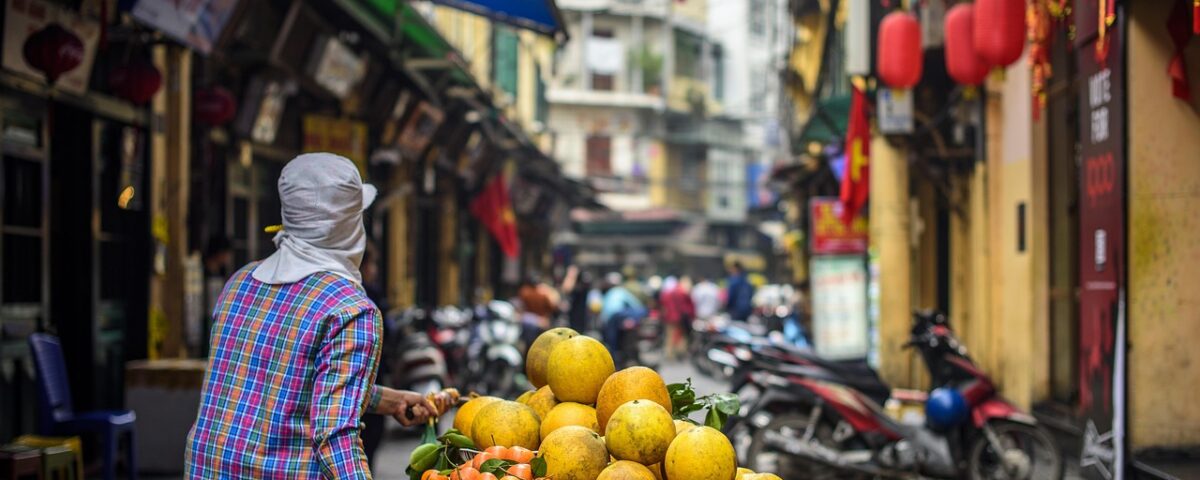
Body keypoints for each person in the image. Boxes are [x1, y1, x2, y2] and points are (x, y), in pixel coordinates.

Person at [185, 153, 449, 479]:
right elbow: (335, 438)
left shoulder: (240, 282)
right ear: (351, 226)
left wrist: (388, 400)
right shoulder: (351, 310)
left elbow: (282, 381)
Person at [598, 272, 645, 352]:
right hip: (618, 315)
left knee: (612, 339)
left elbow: (603, 311)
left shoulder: (608, 294)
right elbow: (636, 305)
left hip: (609, 319)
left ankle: (614, 354)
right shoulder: (621, 291)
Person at [658, 276, 694, 360]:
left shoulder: (666, 293)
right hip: (680, 317)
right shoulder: (682, 292)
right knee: (681, 335)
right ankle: (680, 352)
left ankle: (670, 353)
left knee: (670, 336)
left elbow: (662, 304)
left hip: (669, 317)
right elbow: (688, 306)